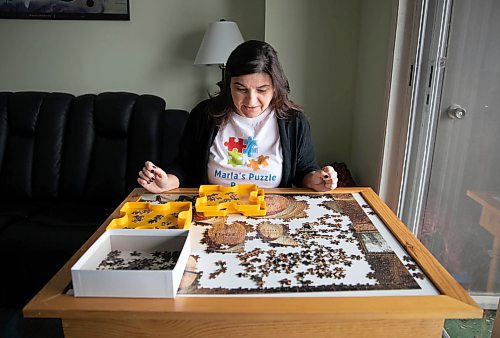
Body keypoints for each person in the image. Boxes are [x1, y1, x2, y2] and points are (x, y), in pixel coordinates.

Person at [138, 40, 337, 193]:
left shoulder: (294, 122)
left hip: (271, 216)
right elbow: (185, 165)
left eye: (262, 90)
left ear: (275, 87)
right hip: (213, 212)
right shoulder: (204, 115)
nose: (251, 101)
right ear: (228, 84)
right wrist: (167, 182)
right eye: (240, 89)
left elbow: (304, 171)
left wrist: (317, 179)